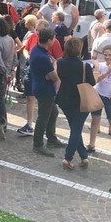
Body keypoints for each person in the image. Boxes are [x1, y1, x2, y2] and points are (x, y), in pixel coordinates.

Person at [55, 38, 93, 169]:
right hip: (81, 100)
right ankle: (68, 157)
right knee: (76, 129)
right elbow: (92, 82)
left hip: (65, 99)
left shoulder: (60, 63)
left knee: (75, 128)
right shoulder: (85, 66)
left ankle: (83, 156)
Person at [30, 28, 63, 157]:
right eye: (54, 38)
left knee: (53, 113)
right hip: (44, 89)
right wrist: (54, 64)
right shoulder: (43, 56)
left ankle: (51, 138)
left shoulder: (37, 49)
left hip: (40, 86)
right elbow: (54, 76)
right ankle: (38, 144)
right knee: (43, 116)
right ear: (49, 40)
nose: (55, 40)